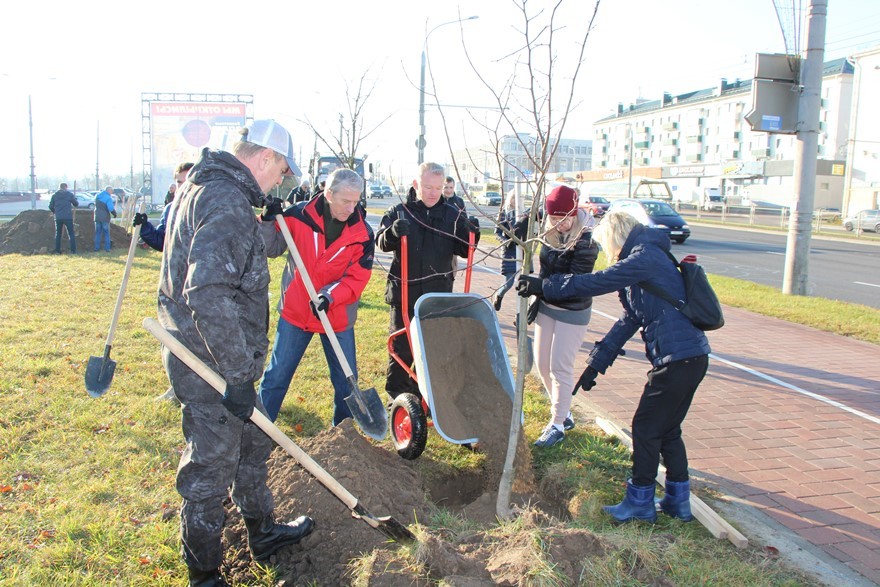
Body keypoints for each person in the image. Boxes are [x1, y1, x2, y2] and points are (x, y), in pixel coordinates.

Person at [157, 119, 314, 586]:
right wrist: (239, 376)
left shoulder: (212, 188)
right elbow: (206, 292)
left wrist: (270, 218)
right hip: (211, 365)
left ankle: (262, 531)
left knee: (253, 444)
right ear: (265, 158)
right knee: (210, 470)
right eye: (281, 170)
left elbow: (245, 251)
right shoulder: (224, 199)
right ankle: (204, 575)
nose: (279, 179)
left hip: (225, 360)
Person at [516, 210, 711, 523]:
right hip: (690, 357)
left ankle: (640, 502)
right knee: (668, 430)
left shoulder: (643, 257)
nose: (607, 252)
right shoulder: (646, 259)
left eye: (606, 245)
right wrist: (597, 363)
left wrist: (545, 287)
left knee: (645, 428)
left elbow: (597, 281)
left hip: (677, 359)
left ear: (614, 237)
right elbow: (630, 319)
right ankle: (677, 501)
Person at [257, 168, 374, 423]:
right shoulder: (299, 216)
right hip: (297, 311)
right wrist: (267, 221)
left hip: (337, 314)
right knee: (277, 376)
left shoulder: (362, 233)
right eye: (346, 201)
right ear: (329, 194)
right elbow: (273, 248)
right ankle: (259, 429)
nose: (351, 208)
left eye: (356, 202)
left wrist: (329, 296)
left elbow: (357, 278)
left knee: (346, 381)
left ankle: (344, 435)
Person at [376, 162, 480, 400]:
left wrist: (471, 233)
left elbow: (465, 249)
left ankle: (432, 398)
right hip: (405, 293)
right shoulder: (399, 211)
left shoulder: (452, 215)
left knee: (435, 348)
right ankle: (399, 400)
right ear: (416, 184)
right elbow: (381, 241)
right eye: (427, 187)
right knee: (403, 347)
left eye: (438, 187)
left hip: (437, 295)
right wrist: (392, 232)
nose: (433, 192)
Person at [526, 186, 598, 447]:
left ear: (575, 210)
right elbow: (546, 269)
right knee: (542, 364)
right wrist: (536, 293)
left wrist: (539, 287)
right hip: (547, 305)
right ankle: (564, 414)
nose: (560, 224)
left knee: (560, 367)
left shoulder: (586, 241)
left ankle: (556, 424)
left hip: (573, 310)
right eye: (554, 219)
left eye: (565, 217)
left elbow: (574, 282)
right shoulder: (549, 232)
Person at [134, 162, 194, 252]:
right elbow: (162, 242)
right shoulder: (170, 209)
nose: (183, 187)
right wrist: (144, 226)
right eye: (179, 182)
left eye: (188, 182)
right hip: (175, 264)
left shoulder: (210, 208)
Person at [492, 192, 529, 311]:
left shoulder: (524, 213)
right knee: (508, 283)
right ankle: (499, 295)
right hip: (510, 253)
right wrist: (507, 242)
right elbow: (497, 232)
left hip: (523, 252)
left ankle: (519, 314)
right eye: (514, 198)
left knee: (523, 285)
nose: (516, 201)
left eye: (518, 198)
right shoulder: (504, 214)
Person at [48, 182, 78, 254]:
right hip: (68, 217)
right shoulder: (69, 195)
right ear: (66, 187)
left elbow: (50, 206)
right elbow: (76, 204)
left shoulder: (55, 195)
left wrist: (55, 212)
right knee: (71, 233)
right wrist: (75, 199)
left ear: (60, 187)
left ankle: (57, 251)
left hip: (58, 217)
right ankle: (73, 251)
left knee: (58, 234)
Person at [93, 186, 117, 252]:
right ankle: (107, 248)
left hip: (97, 217)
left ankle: (96, 248)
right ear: (108, 190)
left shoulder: (97, 196)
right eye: (111, 191)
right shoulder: (108, 198)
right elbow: (110, 208)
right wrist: (114, 214)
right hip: (104, 218)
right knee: (106, 233)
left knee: (98, 233)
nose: (112, 193)